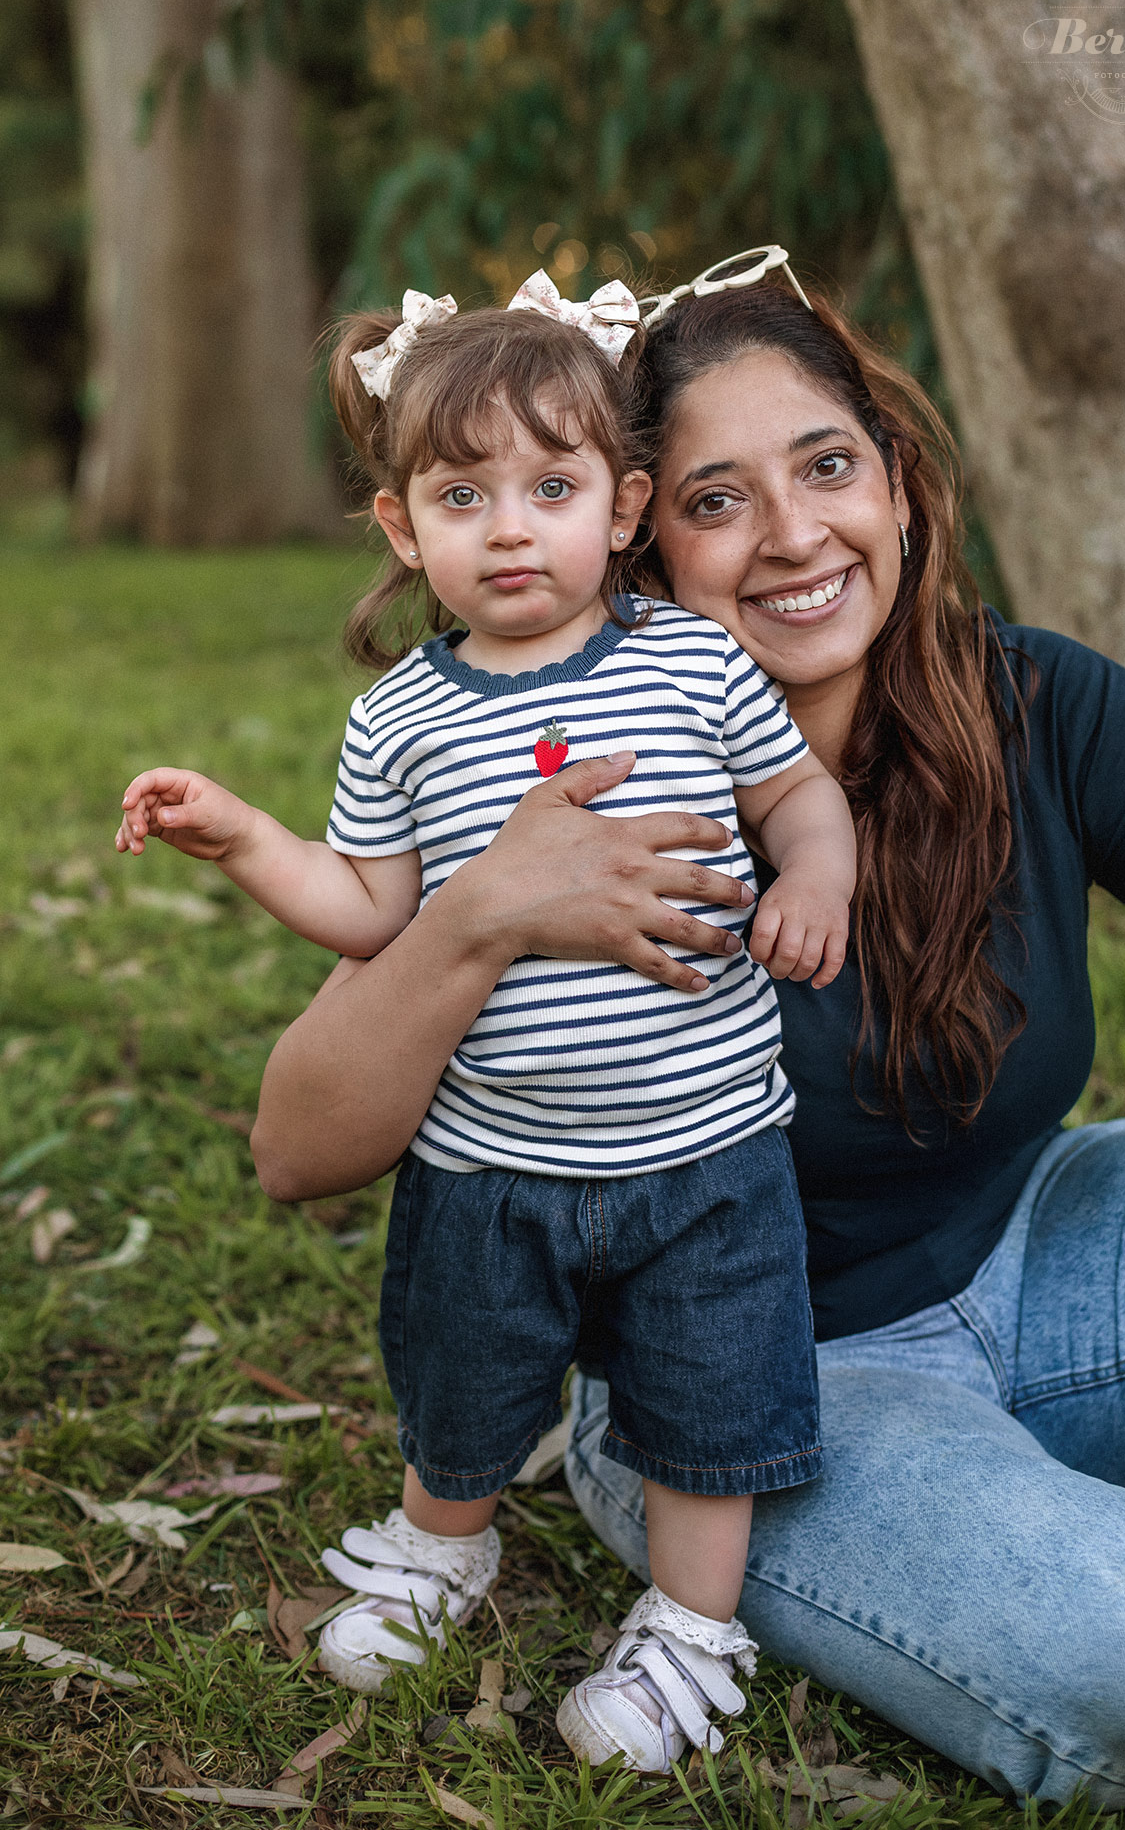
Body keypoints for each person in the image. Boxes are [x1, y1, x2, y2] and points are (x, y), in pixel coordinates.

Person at [249, 252, 1125, 1808]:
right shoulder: (566, 763)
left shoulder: (1033, 706)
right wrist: (488, 912)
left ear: (901, 486)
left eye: (827, 467)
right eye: (721, 501)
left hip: (1062, 1258)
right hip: (744, 1390)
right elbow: (298, 1147)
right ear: (639, 536)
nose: (797, 536)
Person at [114, 270, 859, 1769]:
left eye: (551, 486)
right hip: (487, 1159)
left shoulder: (695, 661)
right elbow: (377, 915)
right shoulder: (404, 716)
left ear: (626, 506)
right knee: (460, 1375)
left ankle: (688, 1630)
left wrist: (817, 879)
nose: (511, 526)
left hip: (706, 1152)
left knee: (712, 1402)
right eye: (464, 494)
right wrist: (250, 839)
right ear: (404, 529)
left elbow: (797, 792)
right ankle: (442, 1542)